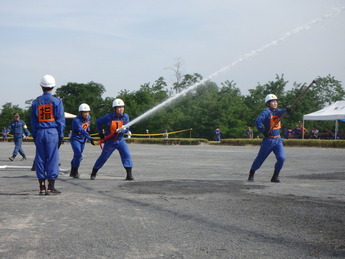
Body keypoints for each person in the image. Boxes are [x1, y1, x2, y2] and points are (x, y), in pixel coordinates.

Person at [30, 74, 65, 195]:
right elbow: (60, 120)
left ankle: (41, 186)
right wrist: (61, 135)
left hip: (40, 132)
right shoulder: (56, 101)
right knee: (53, 158)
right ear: (53, 86)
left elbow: (33, 121)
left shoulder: (36, 102)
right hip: (52, 132)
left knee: (40, 158)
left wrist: (35, 134)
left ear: (41, 86)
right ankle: (51, 186)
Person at [248, 94, 289, 183]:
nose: (275, 103)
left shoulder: (278, 112)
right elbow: (257, 121)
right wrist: (263, 131)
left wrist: (287, 110)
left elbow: (282, 112)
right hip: (268, 141)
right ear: (268, 104)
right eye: (272, 102)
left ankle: (275, 176)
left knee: (281, 158)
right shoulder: (266, 112)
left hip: (278, 140)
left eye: (276, 101)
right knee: (260, 158)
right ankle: (251, 173)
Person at [90, 98, 134, 181]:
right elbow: (98, 122)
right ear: (114, 109)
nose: (121, 109)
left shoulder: (125, 116)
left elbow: (127, 128)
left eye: (122, 107)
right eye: (119, 107)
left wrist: (122, 130)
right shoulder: (108, 117)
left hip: (120, 140)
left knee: (126, 154)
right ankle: (94, 172)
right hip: (110, 141)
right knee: (103, 157)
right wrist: (101, 133)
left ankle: (129, 174)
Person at [69, 103, 95, 178]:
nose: (86, 114)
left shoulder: (88, 118)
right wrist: (89, 138)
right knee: (78, 154)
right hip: (75, 139)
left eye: (87, 112)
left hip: (83, 139)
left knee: (78, 156)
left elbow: (87, 128)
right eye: (84, 112)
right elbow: (81, 129)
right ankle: (75, 170)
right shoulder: (76, 120)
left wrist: (88, 134)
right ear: (80, 113)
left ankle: (73, 170)